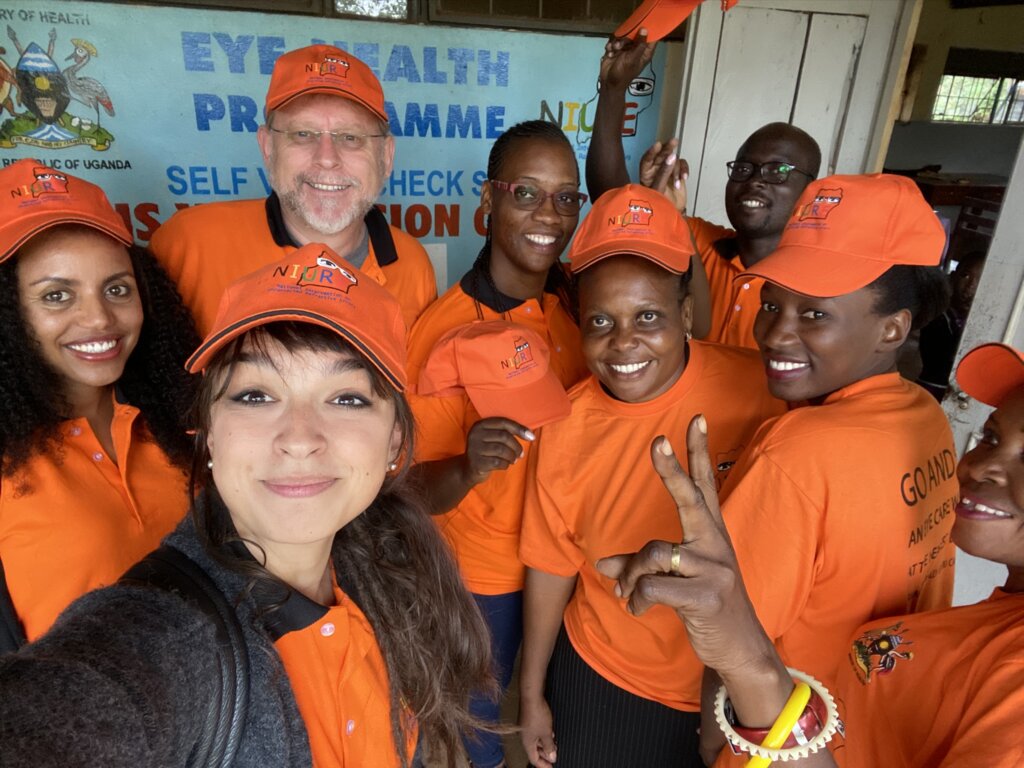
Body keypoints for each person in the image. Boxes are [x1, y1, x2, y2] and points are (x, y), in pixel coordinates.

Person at [0, 243, 494, 768]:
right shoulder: (166, 638)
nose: (299, 438)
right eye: (255, 395)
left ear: (395, 441)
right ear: (208, 433)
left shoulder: (391, 568)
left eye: (347, 398)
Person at [597, 339, 1024, 767]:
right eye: (990, 437)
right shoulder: (919, 412)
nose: (979, 465)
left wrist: (747, 673)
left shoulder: (795, 448)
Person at [516, 184, 785, 768]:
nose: (623, 344)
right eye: (600, 321)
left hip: (737, 687)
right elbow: (550, 565)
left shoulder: (760, 393)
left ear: (686, 314)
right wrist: (532, 692)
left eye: (648, 317)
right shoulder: (567, 425)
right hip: (606, 676)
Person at [406, 119, 589, 768]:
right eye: (527, 193)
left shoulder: (570, 304)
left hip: (569, 565)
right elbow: (408, 491)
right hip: (487, 580)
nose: (550, 214)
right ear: (487, 202)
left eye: (568, 197)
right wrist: (466, 464)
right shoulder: (441, 334)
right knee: (475, 735)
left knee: (552, 719)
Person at [0, 158, 199, 644]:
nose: (98, 319)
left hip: (221, 711)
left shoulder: (181, 422)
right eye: (56, 296)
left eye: (116, 289)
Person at [150, 44, 436, 335]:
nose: (327, 158)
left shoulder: (412, 265)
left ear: (386, 156)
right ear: (267, 146)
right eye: (302, 134)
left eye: (351, 137)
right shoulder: (188, 245)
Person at [586, 31, 821, 348]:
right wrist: (614, 89)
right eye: (743, 168)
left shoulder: (818, 286)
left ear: (811, 191)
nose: (754, 180)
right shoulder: (693, 239)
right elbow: (611, 204)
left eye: (777, 171)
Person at [917, 250, 985, 400]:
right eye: (965, 276)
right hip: (932, 391)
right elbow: (942, 359)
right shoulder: (939, 318)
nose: (971, 286)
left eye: (980, 280)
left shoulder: (978, 323)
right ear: (953, 277)